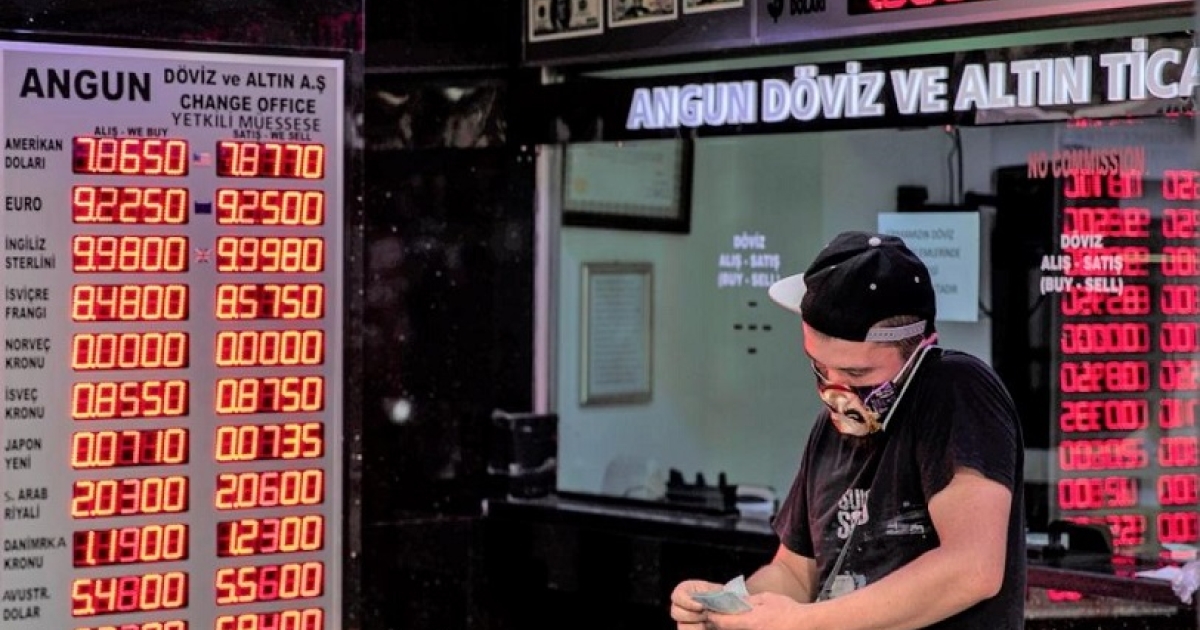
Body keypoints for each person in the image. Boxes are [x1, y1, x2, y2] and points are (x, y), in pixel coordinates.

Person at [669, 231, 1025, 630]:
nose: (836, 392)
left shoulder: (956, 391)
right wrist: (728, 607)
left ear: (918, 349)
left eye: (857, 374)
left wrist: (804, 624)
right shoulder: (828, 429)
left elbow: (971, 568)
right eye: (820, 368)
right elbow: (795, 574)